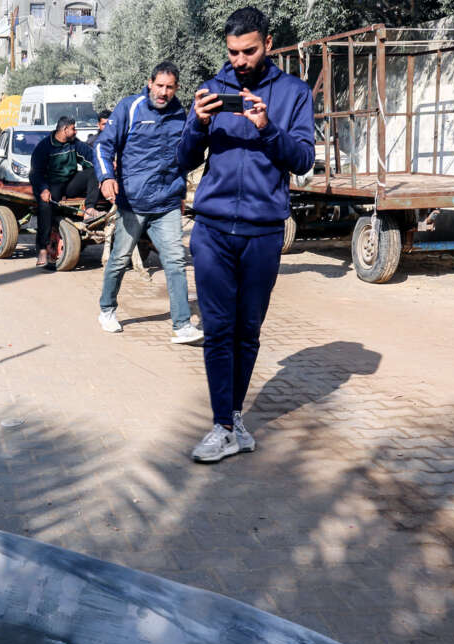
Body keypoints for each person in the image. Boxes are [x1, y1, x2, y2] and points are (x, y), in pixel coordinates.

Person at [177, 6, 314, 462]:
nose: (239, 60)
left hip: (263, 232)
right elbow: (183, 160)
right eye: (233, 52)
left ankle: (234, 418)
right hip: (212, 228)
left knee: (247, 330)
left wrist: (267, 127)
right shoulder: (212, 90)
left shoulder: (293, 93)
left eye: (248, 51)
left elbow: (303, 159)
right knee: (217, 329)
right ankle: (221, 426)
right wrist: (197, 124)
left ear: (268, 44)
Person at [93, 61, 202, 345]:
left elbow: (183, 158)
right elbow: (103, 146)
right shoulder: (130, 107)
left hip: (165, 202)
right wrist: (106, 177)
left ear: (176, 88)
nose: (163, 92)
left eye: (170, 87)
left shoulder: (181, 113)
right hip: (133, 202)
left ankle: (182, 325)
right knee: (119, 259)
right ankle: (107, 309)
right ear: (150, 83)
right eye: (159, 85)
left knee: (175, 260)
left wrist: (180, 194)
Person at [29, 116, 102, 269]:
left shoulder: (74, 144)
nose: (75, 131)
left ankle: (89, 209)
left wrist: (105, 168)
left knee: (93, 172)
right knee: (47, 208)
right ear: (64, 130)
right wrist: (43, 189)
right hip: (51, 184)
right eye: (73, 128)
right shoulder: (44, 147)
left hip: (69, 182)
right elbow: (36, 173)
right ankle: (43, 247)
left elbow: (91, 157)